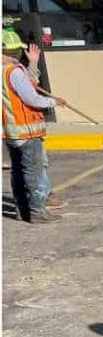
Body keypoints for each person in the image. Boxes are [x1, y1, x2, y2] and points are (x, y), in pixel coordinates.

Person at [2, 28, 67, 223]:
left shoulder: (8, 71)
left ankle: (22, 211)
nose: (15, 55)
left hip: (11, 131)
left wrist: (32, 64)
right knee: (34, 172)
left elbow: (29, 84)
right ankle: (37, 211)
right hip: (26, 130)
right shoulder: (13, 72)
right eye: (13, 52)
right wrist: (53, 102)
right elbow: (32, 97)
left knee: (19, 172)